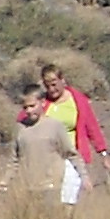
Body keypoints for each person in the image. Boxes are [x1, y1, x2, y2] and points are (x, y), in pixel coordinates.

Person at [38, 63, 97, 203]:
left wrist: (103, 152)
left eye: (54, 84)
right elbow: (26, 118)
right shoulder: (42, 102)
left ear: (62, 80)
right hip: (47, 157)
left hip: (71, 155)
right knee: (48, 199)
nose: (51, 89)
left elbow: (92, 126)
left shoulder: (77, 100)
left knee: (68, 197)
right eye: (47, 86)